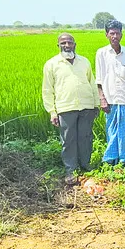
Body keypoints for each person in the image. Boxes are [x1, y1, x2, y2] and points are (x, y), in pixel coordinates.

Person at [42, 33, 100, 185]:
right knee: (68, 140)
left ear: (75, 44)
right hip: (66, 107)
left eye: (69, 42)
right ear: (58, 45)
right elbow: (47, 90)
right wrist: (52, 112)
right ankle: (71, 171)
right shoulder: (52, 64)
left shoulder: (84, 62)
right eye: (63, 43)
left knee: (86, 138)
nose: (67, 45)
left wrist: (96, 104)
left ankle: (86, 166)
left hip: (86, 106)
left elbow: (92, 84)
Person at [95, 20, 125, 165]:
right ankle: (111, 159)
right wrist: (102, 99)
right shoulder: (101, 53)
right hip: (111, 99)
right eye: (112, 33)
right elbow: (99, 79)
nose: (115, 36)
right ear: (106, 35)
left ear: (122, 34)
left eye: (117, 33)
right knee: (112, 130)